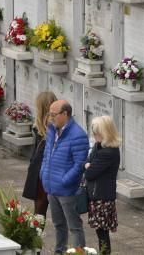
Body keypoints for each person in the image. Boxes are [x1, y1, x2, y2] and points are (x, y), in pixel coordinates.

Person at [42, 99, 90, 252]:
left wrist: (65, 180)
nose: (51, 118)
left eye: (54, 114)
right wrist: (43, 174)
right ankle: (59, 251)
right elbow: (46, 155)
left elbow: (79, 165)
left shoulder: (78, 135)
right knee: (58, 225)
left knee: (74, 227)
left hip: (67, 190)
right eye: (50, 114)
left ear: (65, 114)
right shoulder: (51, 129)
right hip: (51, 187)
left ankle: (78, 253)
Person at [85, 115, 121, 255]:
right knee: (100, 232)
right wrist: (88, 164)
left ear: (105, 132)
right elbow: (87, 161)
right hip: (98, 195)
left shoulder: (108, 152)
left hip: (102, 198)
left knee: (102, 233)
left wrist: (89, 165)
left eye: (96, 133)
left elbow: (89, 173)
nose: (94, 136)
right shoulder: (99, 146)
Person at [23, 91, 58, 220]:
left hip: (41, 174)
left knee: (39, 211)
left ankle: (35, 237)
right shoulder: (43, 128)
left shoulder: (46, 128)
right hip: (46, 174)